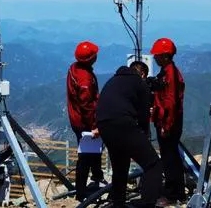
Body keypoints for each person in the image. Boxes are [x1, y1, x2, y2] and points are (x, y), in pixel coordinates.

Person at [95, 60, 163, 208]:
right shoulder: (139, 82)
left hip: (103, 124)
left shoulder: (114, 80)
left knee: (120, 166)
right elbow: (144, 115)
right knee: (153, 164)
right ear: (143, 74)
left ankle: (117, 203)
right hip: (123, 123)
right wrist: (144, 135)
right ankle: (148, 203)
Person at [66, 40, 105, 201]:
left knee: (92, 152)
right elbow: (87, 106)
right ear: (90, 58)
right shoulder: (85, 79)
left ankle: (97, 177)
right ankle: (81, 192)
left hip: (76, 118)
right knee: (86, 156)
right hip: (84, 122)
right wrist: (94, 126)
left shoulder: (74, 68)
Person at [150, 37, 187, 204]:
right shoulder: (168, 72)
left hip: (168, 122)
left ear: (165, 56)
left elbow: (170, 102)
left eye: (157, 55)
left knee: (169, 158)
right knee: (170, 156)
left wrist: (166, 125)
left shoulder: (169, 74)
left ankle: (173, 194)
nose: (155, 58)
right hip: (167, 120)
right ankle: (176, 192)